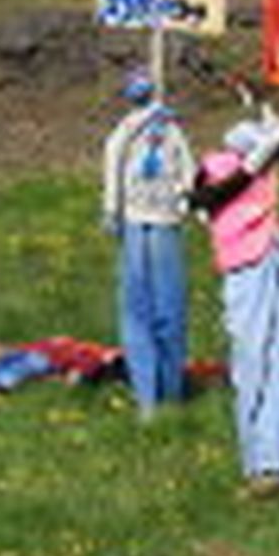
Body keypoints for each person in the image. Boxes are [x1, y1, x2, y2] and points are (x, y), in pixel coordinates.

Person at [188, 92, 279, 499]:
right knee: (251, 362)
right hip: (243, 271)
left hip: (274, 259)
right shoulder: (212, 171)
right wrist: (257, 159)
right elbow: (208, 198)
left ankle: (273, 465)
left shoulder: (263, 166)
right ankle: (255, 462)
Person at [101, 69, 196, 418]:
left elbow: (186, 170)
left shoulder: (171, 130)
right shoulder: (125, 132)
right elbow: (113, 167)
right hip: (135, 221)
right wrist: (113, 210)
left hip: (163, 221)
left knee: (164, 309)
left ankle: (168, 390)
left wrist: (187, 202)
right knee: (139, 308)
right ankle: (148, 395)